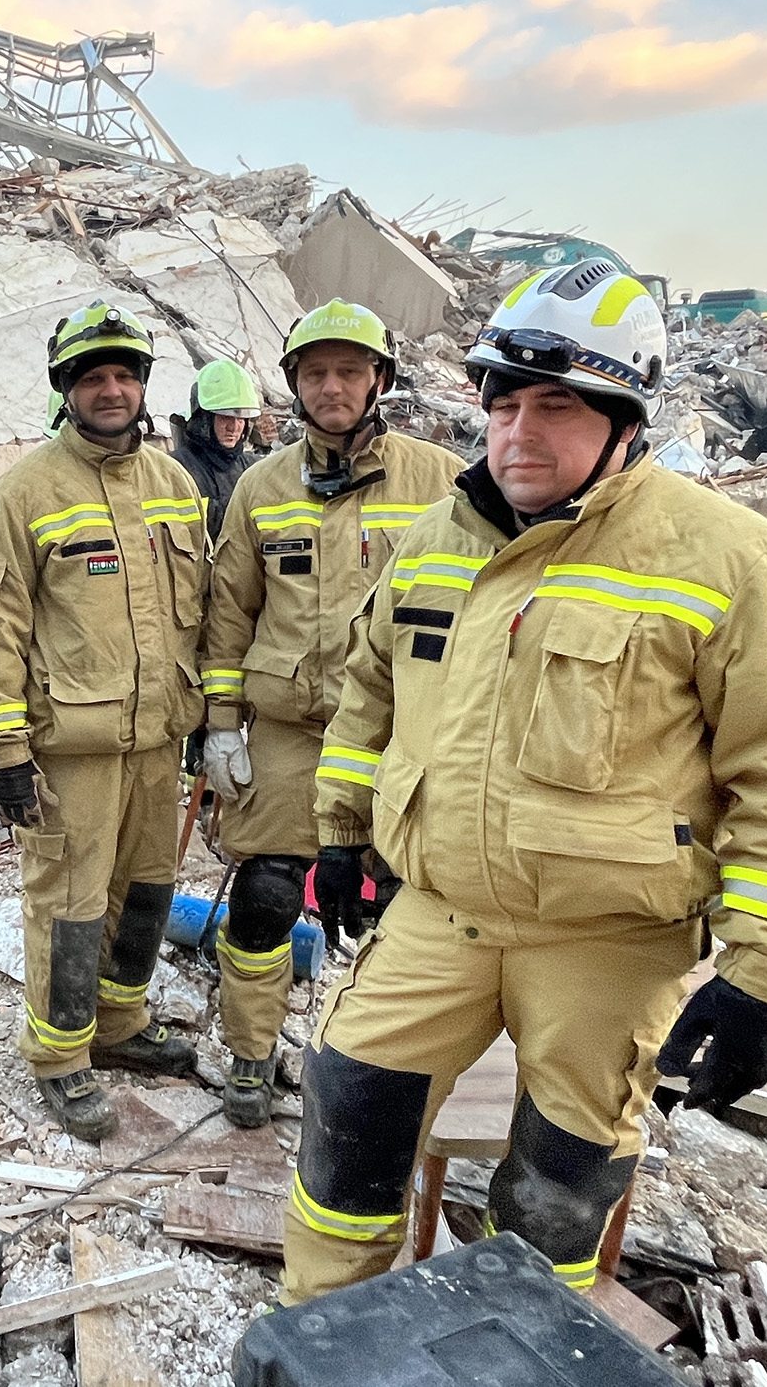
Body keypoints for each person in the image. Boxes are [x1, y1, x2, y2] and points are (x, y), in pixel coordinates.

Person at [280, 262, 767, 1302]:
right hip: (442, 913)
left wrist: (766, 975)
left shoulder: (733, 560)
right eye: (504, 405)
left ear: (627, 417)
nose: (518, 434)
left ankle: (520, 1343)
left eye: (556, 406)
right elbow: (370, 697)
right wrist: (339, 833)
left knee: (559, 1184)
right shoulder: (434, 541)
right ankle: (320, 1331)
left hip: (606, 939)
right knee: (348, 1118)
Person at [195, 300, 460, 1128]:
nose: (332, 387)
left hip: (396, 735)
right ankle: (249, 1055)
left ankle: (371, 1069)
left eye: (349, 371)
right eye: (315, 373)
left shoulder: (441, 480)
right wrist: (220, 723)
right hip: (284, 726)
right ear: (294, 386)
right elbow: (228, 613)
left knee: (384, 905)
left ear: (379, 379)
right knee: (266, 895)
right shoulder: (261, 486)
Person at [0, 300, 211, 1139]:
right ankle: (61, 1059)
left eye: (123, 374)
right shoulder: (25, 492)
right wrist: (2, 749)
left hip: (157, 738)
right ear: (65, 389)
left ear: (143, 387)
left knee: (145, 892)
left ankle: (121, 1027)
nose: (111, 389)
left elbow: (201, 611)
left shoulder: (174, 484)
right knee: (68, 906)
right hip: (69, 746)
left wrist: (214, 714)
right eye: (92, 376)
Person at [170, 359, 265, 538]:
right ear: (204, 419)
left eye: (241, 418)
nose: (234, 427)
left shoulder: (255, 469)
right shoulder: (174, 469)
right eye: (225, 417)